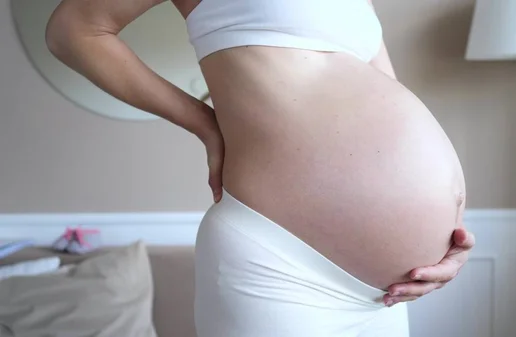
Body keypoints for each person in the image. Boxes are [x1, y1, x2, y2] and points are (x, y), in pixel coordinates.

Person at [45, 0, 476, 335]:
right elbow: (73, 29)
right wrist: (203, 123)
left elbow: (388, 94)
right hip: (282, 267)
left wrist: (443, 239)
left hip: (385, 296)